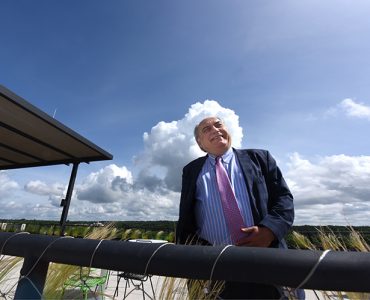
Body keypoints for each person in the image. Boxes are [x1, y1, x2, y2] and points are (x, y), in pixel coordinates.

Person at [176, 116, 295, 299]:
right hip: (216, 268)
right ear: (200, 143)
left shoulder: (260, 158)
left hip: (266, 260)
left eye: (218, 125)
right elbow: (186, 218)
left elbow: (284, 199)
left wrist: (269, 230)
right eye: (206, 129)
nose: (215, 130)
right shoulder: (191, 170)